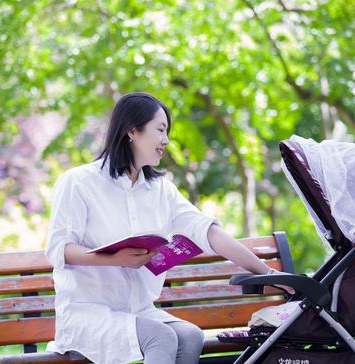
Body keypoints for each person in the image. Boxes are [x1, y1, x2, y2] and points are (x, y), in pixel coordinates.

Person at [44, 92, 291, 364]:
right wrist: (115, 259)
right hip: (87, 315)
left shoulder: (160, 190)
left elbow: (209, 232)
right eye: (160, 130)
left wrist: (268, 273)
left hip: (138, 312)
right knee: (161, 337)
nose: (166, 140)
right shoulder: (79, 182)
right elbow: (59, 249)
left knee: (190, 335)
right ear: (132, 131)